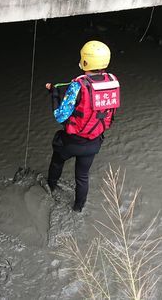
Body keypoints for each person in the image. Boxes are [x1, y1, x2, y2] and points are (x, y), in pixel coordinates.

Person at [45, 40, 120, 212]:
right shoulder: (113, 81)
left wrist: (54, 94)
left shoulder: (78, 85)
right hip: (94, 142)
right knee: (82, 176)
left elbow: (60, 115)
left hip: (72, 141)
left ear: (84, 61)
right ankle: (78, 208)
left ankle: (50, 187)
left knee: (57, 161)